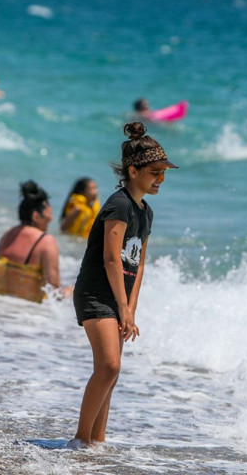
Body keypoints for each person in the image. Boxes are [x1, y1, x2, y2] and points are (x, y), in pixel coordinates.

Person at [68, 121, 178, 449]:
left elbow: (139, 263)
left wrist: (131, 308)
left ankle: (96, 443)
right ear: (133, 171)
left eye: (164, 173)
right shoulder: (119, 204)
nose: (160, 179)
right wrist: (122, 306)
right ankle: (79, 440)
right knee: (109, 365)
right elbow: (112, 259)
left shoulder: (146, 212)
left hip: (120, 298)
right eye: (155, 172)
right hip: (96, 293)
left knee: (111, 374)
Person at [0, 180, 68, 302]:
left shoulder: (7, 235)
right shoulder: (46, 241)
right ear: (36, 216)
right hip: (26, 310)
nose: (51, 218)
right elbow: (54, 288)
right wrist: (70, 292)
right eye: (49, 214)